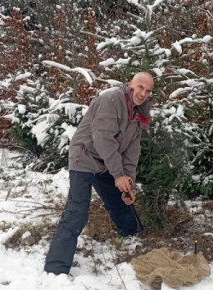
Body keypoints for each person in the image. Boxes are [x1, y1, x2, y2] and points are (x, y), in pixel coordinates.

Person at [44, 72, 154, 275]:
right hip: (84, 158)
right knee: (77, 212)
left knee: (120, 200)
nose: (143, 93)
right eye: (140, 87)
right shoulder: (110, 100)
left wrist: (128, 179)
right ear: (130, 84)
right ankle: (56, 268)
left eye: (147, 91)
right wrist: (118, 174)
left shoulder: (141, 110)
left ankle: (131, 236)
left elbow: (132, 148)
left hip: (106, 163)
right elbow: (103, 139)